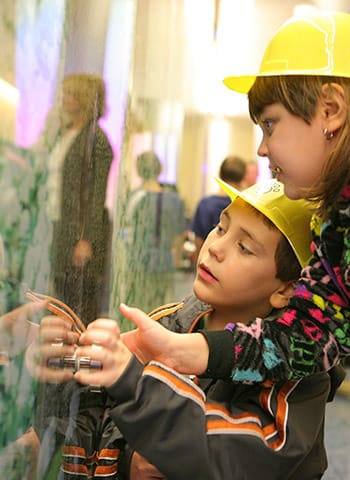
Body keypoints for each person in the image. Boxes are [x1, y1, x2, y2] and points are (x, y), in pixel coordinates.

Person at [110, 10, 350, 384]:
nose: (262, 150)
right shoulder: (337, 220)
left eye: (270, 124)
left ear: (330, 110)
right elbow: (313, 333)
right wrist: (179, 349)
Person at [73, 179, 344, 479]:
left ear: (287, 290)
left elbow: (236, 459)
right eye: (220, 228)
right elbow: (107, 424)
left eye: (244, 248)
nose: (215, 248)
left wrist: (136, 387)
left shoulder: (300, 377)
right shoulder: (170, 324)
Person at [48, 73, 113, 327]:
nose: (63, 98)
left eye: (70, 93)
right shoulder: (64, 133)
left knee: (79, 302)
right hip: (59, 226)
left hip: (78, 234)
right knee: (60, 295)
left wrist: (86, 239)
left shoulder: (96, 140)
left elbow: (96, 197)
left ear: (84, 98)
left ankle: (81, 357)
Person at [122, 150, 185, 315]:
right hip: (164, 261)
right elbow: (179, 236)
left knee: (136, 307)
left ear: (138, 169)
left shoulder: (133, 198)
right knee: (158, 309)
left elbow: (126, 231)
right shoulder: (174, 200)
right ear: (160, 169)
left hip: (136, 260)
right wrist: (176, 260)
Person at [191, 155, 246, 260]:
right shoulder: (244, 207)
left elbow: (198, 240)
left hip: (207, 259)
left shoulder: (205, 204)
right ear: (243, 178)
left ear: (220, 174)